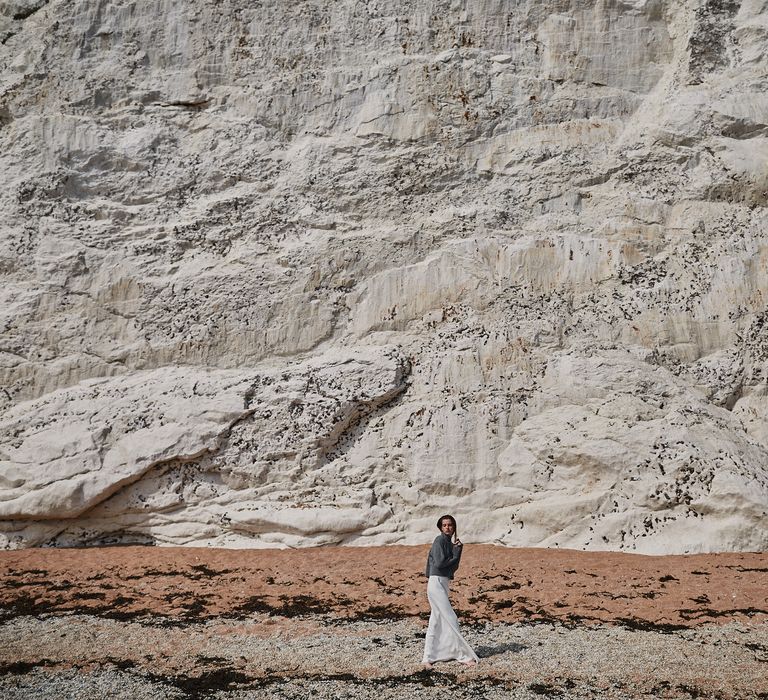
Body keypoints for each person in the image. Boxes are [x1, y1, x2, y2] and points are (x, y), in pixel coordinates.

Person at [422, 514, 479, 668]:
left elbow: (453, 567)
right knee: (450, 618)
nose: (448, 528)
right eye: (445, 525)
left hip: (443, 582)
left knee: (435, 620)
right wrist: (454, 553)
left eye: (450, 525)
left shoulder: (449, 542)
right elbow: (440, 563)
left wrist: (458, 550)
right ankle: (464, 656)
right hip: (436, 582)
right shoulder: (439, 540)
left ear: (454, 527)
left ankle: (428, 657)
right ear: (440, 527)